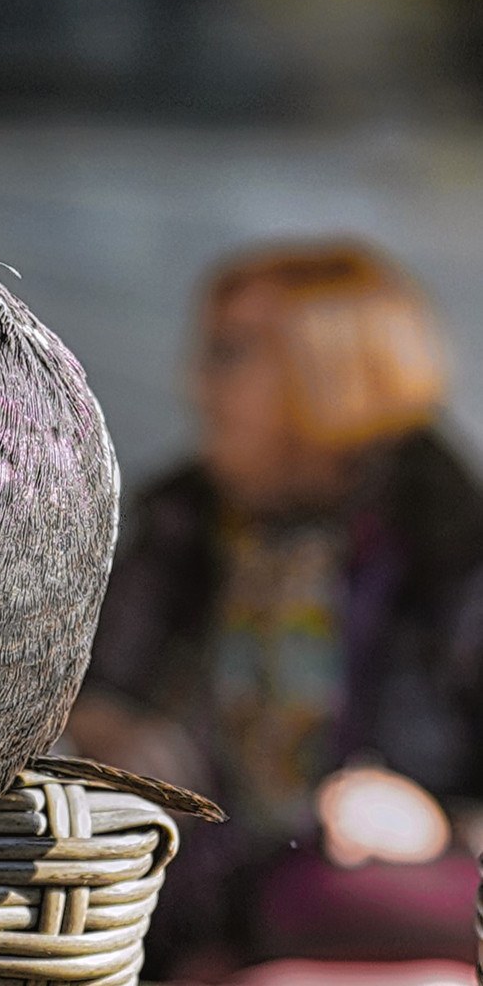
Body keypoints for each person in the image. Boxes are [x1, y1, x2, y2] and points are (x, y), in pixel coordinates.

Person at [66, 243, 483, 976]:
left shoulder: (450, 546)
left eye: (230, 354)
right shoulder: (181, 525)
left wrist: (434, 822)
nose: (196, 383)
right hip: (200, 904)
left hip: (366, 894)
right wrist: (115, 732)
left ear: (331, 368)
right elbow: (88, 693)